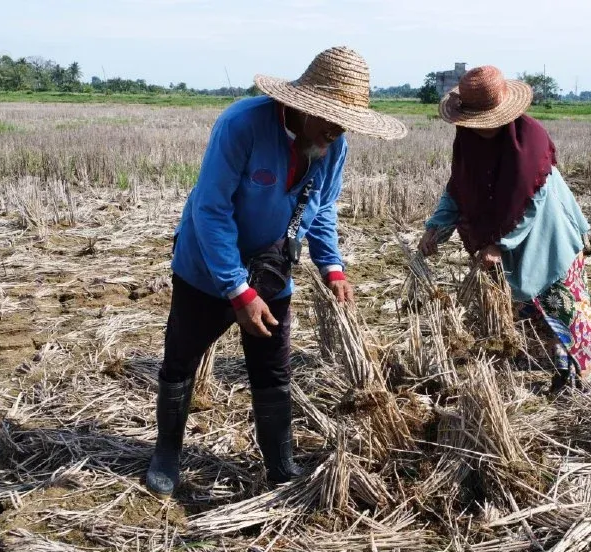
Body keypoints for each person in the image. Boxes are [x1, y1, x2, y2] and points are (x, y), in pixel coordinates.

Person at [147, 47, 407, 497]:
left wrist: (332, 265)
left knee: (273, 370)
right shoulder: (242, 126)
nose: (339, 129)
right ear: (304, 106)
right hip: (207, 268)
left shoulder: (332, 144)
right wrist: (236, 289)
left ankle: (279, 466)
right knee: (181, 359)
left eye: (346, 121)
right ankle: (166, 451)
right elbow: (211, 210)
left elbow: (322, 209)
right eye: (331, 118)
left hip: (272, 270)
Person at [418, 66, 591, 388]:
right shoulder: (467, 139)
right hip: (504, 240)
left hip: (549, 236)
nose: (481, 129)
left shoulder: (530, 140)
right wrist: (435, 228)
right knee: (519, 308)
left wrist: (498, 245)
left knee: (563, 307)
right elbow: (458, 187)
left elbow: (531, 201)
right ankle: (532, 379)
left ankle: (589, 381)